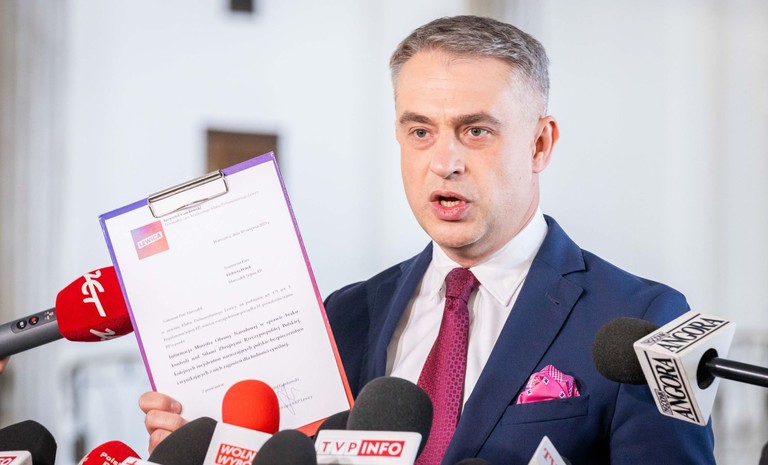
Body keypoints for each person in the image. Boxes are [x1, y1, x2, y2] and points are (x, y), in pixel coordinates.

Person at [141, 15, 716, 464]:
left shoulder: (643, 323)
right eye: (420, 131)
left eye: (476, 131)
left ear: (540, 144)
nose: (444, 162)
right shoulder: (345, 316)